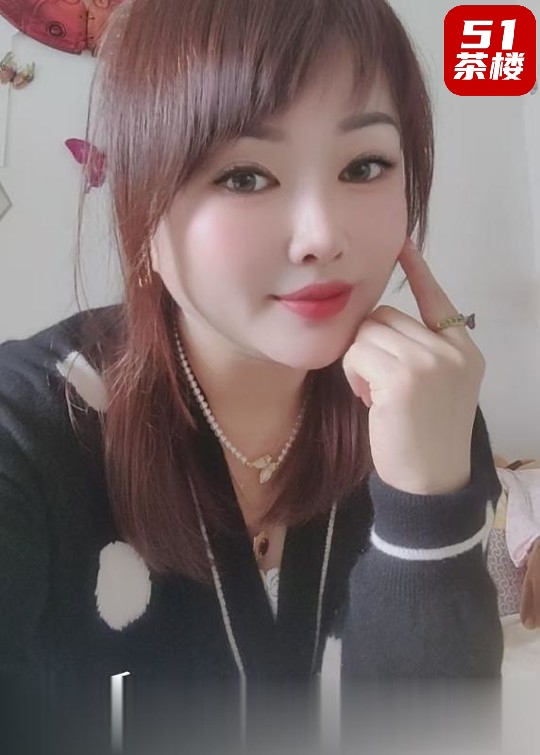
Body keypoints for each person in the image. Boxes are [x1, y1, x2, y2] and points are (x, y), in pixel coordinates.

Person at [0, 1, 504, 753]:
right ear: (143, 202)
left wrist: (425, 507)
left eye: (364, 166)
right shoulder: (28, 426)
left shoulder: (426, 408)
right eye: (244, 175)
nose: (322, 236)